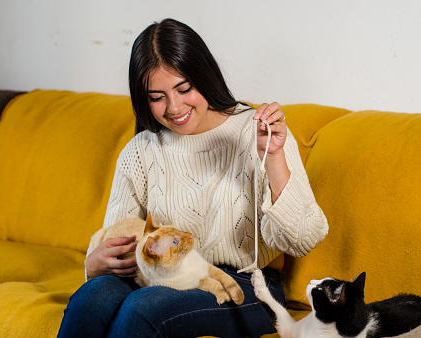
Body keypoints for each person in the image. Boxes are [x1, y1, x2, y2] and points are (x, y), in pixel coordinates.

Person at [58, 18, 328, 338]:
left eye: (184, 88)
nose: (174, 107)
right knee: (90, 299)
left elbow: (303, 239)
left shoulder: (258, 133)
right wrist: (94, 264)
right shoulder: (141, 150)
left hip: (247, 284)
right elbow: (124, 243)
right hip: (161, 275)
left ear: (204, 77)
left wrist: (272, 156)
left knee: (144, 308)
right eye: (157, 96)